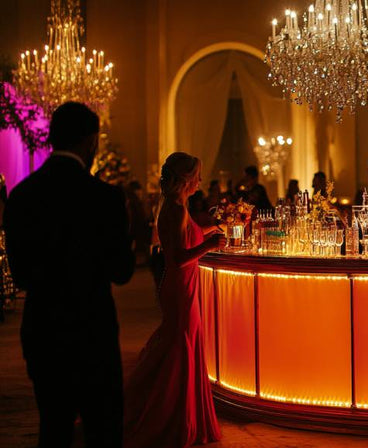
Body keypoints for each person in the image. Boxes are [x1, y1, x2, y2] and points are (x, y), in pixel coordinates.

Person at [3, 102, 135, 447]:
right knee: (103, 431)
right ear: (91, 142)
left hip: (43, 330)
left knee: (53, 427)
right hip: (93, 332)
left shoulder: (21, 195)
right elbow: (122, 272)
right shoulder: (105, 198)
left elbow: (20, 276)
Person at [123, 152, 225, 447]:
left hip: (180, 285)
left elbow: (183, 238)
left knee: (178, 344)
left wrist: (209, 229)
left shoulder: (174, 205)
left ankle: (174, 412)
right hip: (181, 287)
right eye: (197, 176)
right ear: (185, 179)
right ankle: (171, 417)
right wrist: (209, 245)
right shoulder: (177, 209)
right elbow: (178, 258)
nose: (200, 181)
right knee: (180, 347)